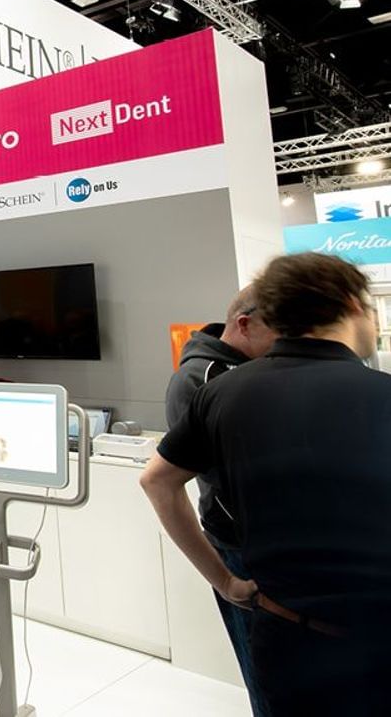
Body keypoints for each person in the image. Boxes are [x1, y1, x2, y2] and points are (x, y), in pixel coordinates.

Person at [141, 253, 391, 717]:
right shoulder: (381, 394)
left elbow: (156, 480)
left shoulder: (221, 392)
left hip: (281, 634)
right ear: (352, 306)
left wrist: (225, 581)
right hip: (375, 638)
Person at [162, 284, 276, 714]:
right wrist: (224, 578)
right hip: (244, 547)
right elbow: (168, 480)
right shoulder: (204, 380)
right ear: (245, 325)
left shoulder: (237, 371)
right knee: (267, 676)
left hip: (264, 545)